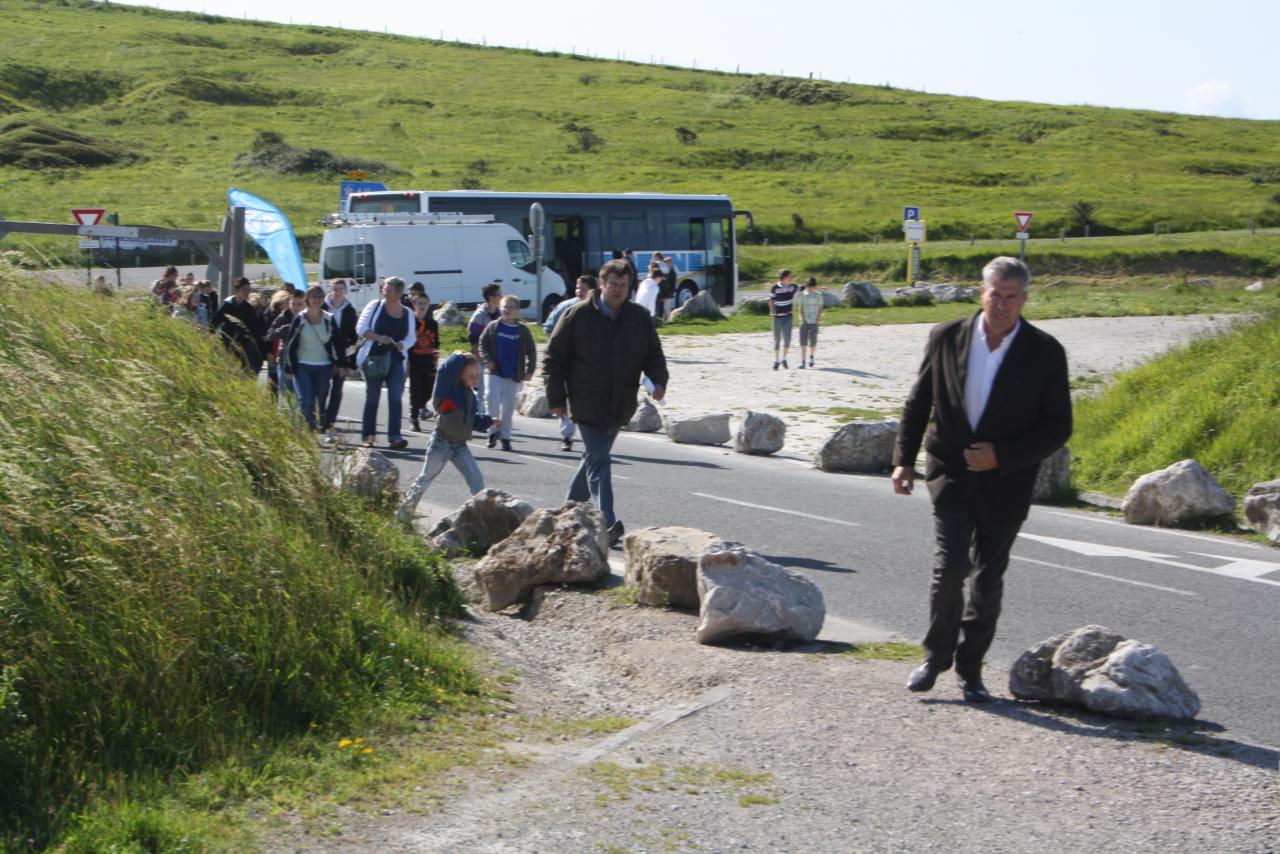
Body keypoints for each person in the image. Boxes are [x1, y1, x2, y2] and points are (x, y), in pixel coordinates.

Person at [892, 256, 1072, 704]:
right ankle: (936, 657)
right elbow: (918, 404)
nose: (1004, 305)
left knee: (988, 576)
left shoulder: (1045, 351)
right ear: (981, 293)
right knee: (951, 565)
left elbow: (1057, 426)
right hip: (950, 470)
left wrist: (1002, 456)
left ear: (1025, 299)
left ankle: (971, 670)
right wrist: (903, 460)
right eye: (997, 295)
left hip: (1007, 480)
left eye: (1013, 297)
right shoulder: (946, 336)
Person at [543, 259, 669, 547]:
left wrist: (658, 381)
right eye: (613, 284)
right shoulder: (576, 315)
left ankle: (567, 511)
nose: (618, 290)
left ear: (629, 287)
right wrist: (556, 399)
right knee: (600, 460)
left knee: (592, 458)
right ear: (601, 285)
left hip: (621, 403)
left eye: (623, 285)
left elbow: (654, 355)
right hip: (586, 401)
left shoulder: (638, 317)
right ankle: (608, 522)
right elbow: (554, 359)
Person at [395, 351, 498, 524]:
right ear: (459, 374)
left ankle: (483, 518)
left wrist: (490, 421)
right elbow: (445, 370)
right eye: (471, 375)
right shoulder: (448, 391)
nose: (475, 378)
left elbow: (473, 421)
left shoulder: (471, 396)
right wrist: (460, 356)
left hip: (459, 446)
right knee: (425, 478)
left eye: (478, 375)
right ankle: (404, 512)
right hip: (441, 442)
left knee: (476, 479)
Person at [355, 275, 415, 449]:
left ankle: (394, 436)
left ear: (398, 293)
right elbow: (361, 328)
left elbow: (411, 336)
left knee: (395, 398)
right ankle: (368, 436)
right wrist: (379, 337)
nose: (385, 293)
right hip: (374, 358)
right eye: (384, 289)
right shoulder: (374, 307)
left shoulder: (408, 313)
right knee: (372, 398)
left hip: (396, 360)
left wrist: (403, 344)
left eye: (388, 291)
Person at [542, 274, 595, 452]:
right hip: (565, 362)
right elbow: (548, 327)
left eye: (584, 288)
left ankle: (590, 435)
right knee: (565, 398)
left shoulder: (597, 310)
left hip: (586, 364)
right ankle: (567, 436)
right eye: (577, 288)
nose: (579, 291)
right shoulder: (565, 307)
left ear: (593, 291)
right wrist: (556, 348)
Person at [282, 285, 345, 431]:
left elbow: (338, 342)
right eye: (313, 296)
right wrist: (289, 367)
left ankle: (310, 424)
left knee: (320, 398)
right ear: (307, 299)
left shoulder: (329, 319)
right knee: (306, 400)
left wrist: (342, 364)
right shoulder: (300, 319)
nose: (316, 300)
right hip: (302, 365)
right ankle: (308, 431)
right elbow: (291, 344)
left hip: (323, 366)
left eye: (320, 296)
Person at [478, 294, 536, 452]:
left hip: (513, 374)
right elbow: (482, 344)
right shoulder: (493, 326)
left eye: (511, 307)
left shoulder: (522, 330)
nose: (507, 309)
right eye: (504, 306)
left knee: (509, 408)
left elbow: (531, 351)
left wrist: (530, 370)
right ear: (499, 308)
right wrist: (486, 360)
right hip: (494, 371)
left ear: (517, 310)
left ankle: (505, 437)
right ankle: (492, 433)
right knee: (491, 400)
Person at [321, 279, 359, 432]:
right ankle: (320, 416)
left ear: (345, 291)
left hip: (342, 355)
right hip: (323, 354)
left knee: (337, 390)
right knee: (322, 389)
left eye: (341, 288)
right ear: (330, 290)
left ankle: (329, 423)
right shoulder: (323, 307)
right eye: (335, 288)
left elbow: (353, 336)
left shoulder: (349, 310)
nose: (338, 291)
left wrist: (349, 359)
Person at [212, 277, 265, 375]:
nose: (247, 292)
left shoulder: (249, 308)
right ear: (236, 290)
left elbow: (254, 330)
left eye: (248, 290)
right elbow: (214, 323)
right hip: (226, 343)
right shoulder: (227, 305)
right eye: (244, 289)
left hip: (242, 347)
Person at [407, 293, 440, 432]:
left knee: (427, 391)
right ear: (414, 305)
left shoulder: (432, 323)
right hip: (414, 360)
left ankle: (420, 405)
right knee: (416, 389)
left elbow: (436, 341)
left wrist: (436, 355)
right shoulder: (410, 322)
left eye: (425, 303)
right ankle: (414, 418)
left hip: (429, 361)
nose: (422, 306)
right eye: (419, 303)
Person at [769, 269, 799, 370]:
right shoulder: (775, 288)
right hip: (777, 317)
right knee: (777, 339)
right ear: (785, 277)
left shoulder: (793, 287)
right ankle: (776, 360)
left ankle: (784, 358)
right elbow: (771, 301)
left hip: (788, 316)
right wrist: (772, 313)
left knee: (787, 339)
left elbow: (806, 287)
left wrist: (819, 288)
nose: (792, 278)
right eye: (790, 276)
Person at [797, 277, 824, 369]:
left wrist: (818, 319)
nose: (810, 289)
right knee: (803, 342)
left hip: (814, 321)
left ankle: (811, 357)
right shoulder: (802, 294)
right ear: (806, 286)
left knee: (813, 342)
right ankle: (803, 361)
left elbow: (821, 308)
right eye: (809, 287)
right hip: (804, 322)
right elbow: (800, 307)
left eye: (812, 287)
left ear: (815, 287)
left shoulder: (818, 295)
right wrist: (802, 317)